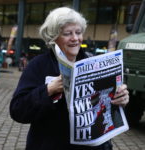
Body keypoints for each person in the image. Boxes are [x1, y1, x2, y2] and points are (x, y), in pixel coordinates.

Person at [10, 7, 129, 150]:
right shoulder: (38, 65)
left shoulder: (95, 63)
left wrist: (120, 100)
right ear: (53, 37)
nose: (75, 38)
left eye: (78, 32)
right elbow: (18, 111)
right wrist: (49, 89)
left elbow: (106, 109)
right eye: (67, 33)